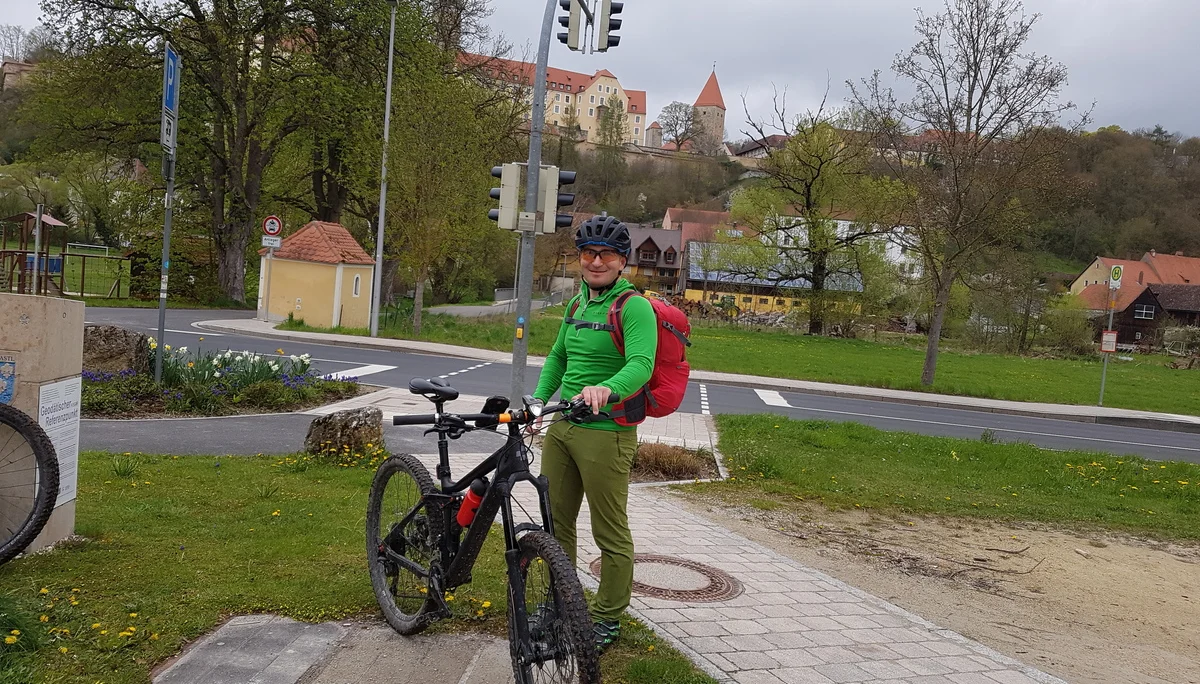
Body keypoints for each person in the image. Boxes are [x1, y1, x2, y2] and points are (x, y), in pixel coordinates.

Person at [533, 215, 657, 653]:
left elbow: (641, 363)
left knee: (610, 533)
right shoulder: (576, 304)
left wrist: (609, 388)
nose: (596, 261)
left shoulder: (634, 307)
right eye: (589, 253)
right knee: (556, 522)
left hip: (607, 432)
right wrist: (537, 400)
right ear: (580, 259)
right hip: (563, 425)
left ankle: (606, 618)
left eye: (606, 254)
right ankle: (561, 603)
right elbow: (557, 357)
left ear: (622, 261)